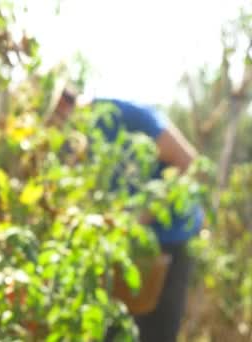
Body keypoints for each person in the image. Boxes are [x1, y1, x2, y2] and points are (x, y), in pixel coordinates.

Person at [50, 85, 205, 342]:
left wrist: (139, 218)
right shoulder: (81, 137)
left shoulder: (129, 115)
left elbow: (189, 164)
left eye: (55, 120)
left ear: (66, 105)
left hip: (172, 238)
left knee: (157, 332)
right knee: (115, 328)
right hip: (129, 245)